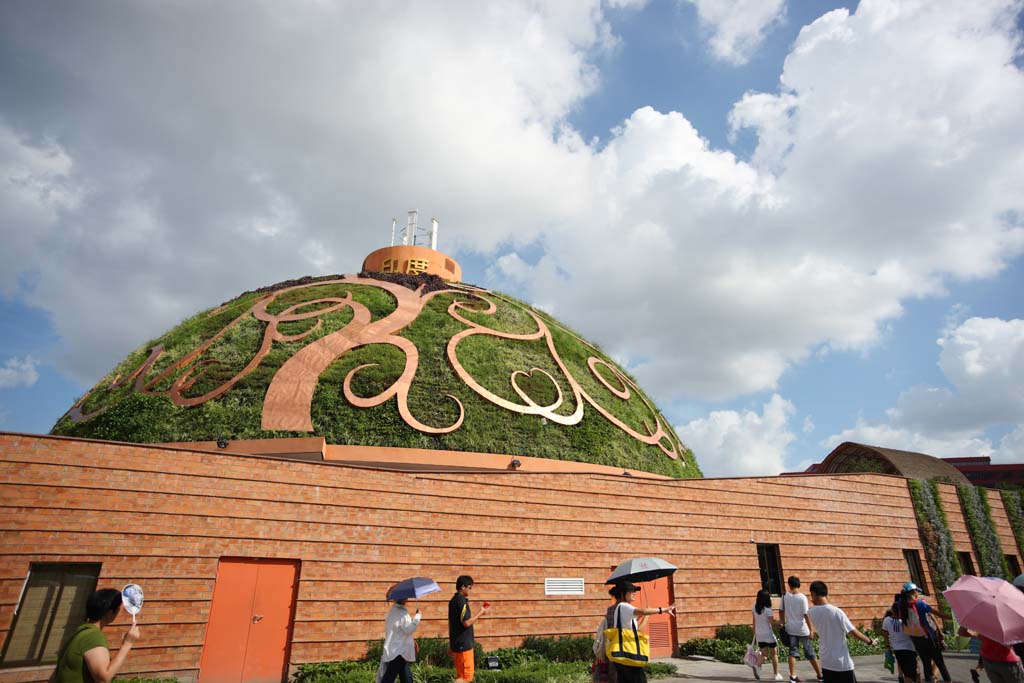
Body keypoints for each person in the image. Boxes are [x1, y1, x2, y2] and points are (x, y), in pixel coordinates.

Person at [52, 588, 141, 683]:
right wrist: (127, 643)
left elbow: (54, 676)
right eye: (118, 609)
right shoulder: (93, 637)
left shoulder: (80, 631)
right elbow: (103, 679)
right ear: (110, 613)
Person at [605, 581, 676, 683]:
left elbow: (637, 629)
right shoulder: (624, 606)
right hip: (629, 652)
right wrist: (664, 610)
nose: (634, 593)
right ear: (622, 594)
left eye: (634, 590)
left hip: (624, 653)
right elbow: (642, 611)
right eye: (631, 591)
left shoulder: (621, 608)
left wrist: (645, 616)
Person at [807, 581, 877, 683]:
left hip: (826, 662)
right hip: (841, 663)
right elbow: (853, 632)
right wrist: (870, 641)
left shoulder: (812, 612)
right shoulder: (836, 612)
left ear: (813, 594)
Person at [898, 583, 951, 683]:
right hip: (929, 637)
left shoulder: (902, 604)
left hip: (916, 639)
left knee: (926, 664)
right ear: (913, 592)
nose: (918, 593)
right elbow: (940, 615)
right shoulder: (920, 604)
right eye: (917, 591)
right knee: (939, 662)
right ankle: (948, 681)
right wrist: (953, 616)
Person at [779, 576, 823, 683]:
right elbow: (806, 615)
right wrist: (811, 630)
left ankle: (793, 676)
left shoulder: (784, 597)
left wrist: (782, 622)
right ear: (798, 584)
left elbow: (781, 610)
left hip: (791, 629)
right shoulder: (802, 597)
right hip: (802, 629)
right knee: (810, 652)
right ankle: (819, 675)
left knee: (792, 652)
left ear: (789, 584)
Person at [449, 575, 489, 683]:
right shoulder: (461, 602)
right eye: (470, 587)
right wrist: (480, 613)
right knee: (466, 678)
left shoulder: (453, 601)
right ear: (463, 587)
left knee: (461, 677)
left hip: (457, 644)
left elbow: (453, 624)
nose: (471, 590)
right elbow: (466, 623)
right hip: (463, 646)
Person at [379, 598, 421, 683]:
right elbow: (409, 629)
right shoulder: (402, 613)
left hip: (396, 650)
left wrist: (412, 641)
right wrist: (418, 616)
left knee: (406, 677)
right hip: (399, 651)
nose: (407, 599)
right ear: (403, 599)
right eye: (406, 597)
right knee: (389, 678)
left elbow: (399, 631)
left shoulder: (392, 612)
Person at [882, 594, 920, 683]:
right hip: (910, 648)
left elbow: (885, 633)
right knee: (912, 672)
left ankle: (900, 676)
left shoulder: (886, 620)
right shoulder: (905, 620)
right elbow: (914, 632)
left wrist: (888, 647)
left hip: (897, 649)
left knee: (906, 671)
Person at [752, 589, 783, 681]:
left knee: (764, 654)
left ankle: (756, 665)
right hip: (768, 634)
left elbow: (754, 621)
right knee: (774, 654)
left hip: (759, 634)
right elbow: (772, 622)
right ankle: (776, 674)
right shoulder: (768, 609)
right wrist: (780, 623)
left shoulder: (754, 606)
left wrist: (754, 632)